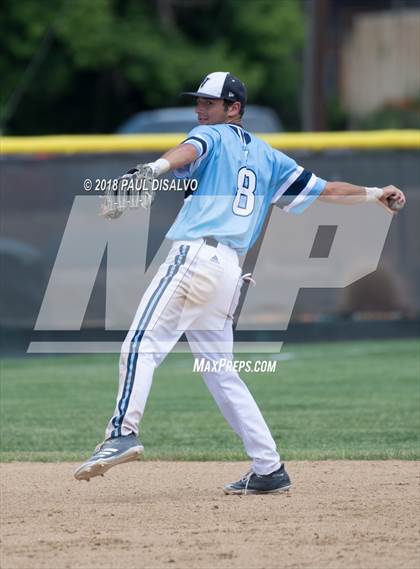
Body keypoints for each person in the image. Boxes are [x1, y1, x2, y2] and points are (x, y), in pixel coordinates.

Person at [74, 72, 406, 494]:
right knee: (221, 372)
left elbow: (190, 148)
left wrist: (153, 168)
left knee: (141, 344)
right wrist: (375, 192)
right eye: (199, 102)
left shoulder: (211, 136)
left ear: (234, 109)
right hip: (228, 269)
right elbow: (326, 189)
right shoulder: (269, 157)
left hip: (193, 257)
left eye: (209, 103)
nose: (200, 109)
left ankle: (122, 431)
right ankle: (268, 468)